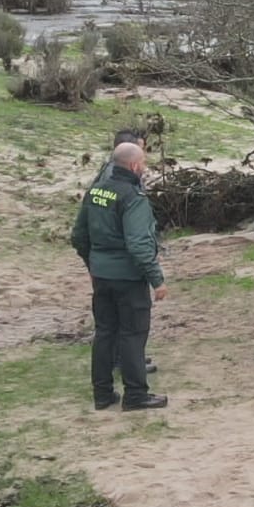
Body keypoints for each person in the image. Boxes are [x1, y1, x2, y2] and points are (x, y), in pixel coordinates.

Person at [70, 142, 169, 411]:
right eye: (144, 163)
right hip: (127, 278)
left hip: (101, 274)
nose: (145, 168)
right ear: (135, 166)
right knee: (133, 334)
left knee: (105, 333)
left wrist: (92, 264)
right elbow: (138, 244)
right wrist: (156, 279)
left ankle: (102, 394)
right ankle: (136, 395)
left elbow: (78, 236)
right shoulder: (132, 197)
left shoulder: (96, 191)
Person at [95, 129, 158, 376]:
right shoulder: (123, 188)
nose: (145, 162)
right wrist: (155, 276)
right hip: (124, 267)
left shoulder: (104, 181)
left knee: (108, 327)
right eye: (141, 156)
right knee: (130, 325)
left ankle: (108, 383)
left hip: (103, 264)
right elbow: (134, 238)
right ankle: (131, 371)